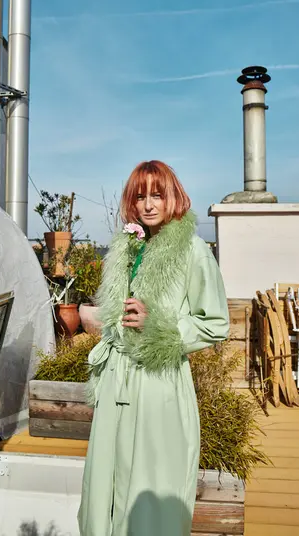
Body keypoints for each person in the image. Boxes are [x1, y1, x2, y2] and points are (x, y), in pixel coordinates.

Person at [78, 160, 229, 536]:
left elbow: (216, 323)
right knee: (104, 490)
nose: (148, 204)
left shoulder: (192, 251)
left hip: (158, 385)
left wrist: (159, 326)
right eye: (140, 196)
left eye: (157, 195)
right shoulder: (126, 249)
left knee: (150, 492)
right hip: (115, 384)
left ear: (172, 197)